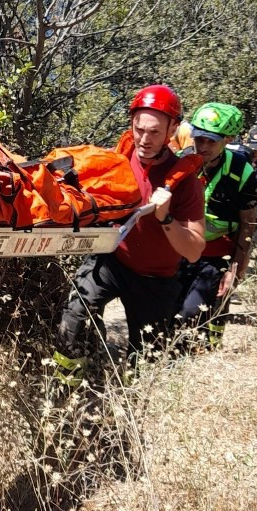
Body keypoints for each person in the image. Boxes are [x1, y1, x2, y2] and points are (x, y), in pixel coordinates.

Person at [54, 85, 206, 385]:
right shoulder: (120, 159)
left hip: (156, 280)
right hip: (113, 260)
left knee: (147, 364)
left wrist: (166, 218)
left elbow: (194, 250)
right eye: (138, 129)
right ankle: (69, 389)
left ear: (172, 129)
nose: (144, 140)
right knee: (74, 312)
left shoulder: (186, 183)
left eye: (154, 132)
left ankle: (131, 407)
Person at [177, 103, 257, 348]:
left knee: (192, 311)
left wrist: (236, 267)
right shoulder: (182, 162)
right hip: (181, 248)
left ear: (228, 139)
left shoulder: (240, 171)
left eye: (210, 142)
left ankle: (208, 349)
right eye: (199, 139)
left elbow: (249, 222)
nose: (202, 147)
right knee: (170, 309)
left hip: (216, 253)